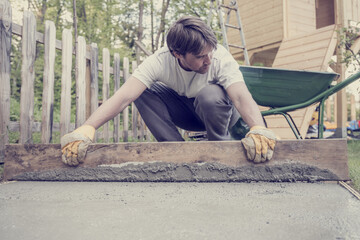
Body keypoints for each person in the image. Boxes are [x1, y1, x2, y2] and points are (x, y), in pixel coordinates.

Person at [61, 16, 276, 166]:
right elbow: (123, 96)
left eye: (209, 53)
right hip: (188, 114)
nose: (208, 61)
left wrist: (257, 126)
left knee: (209, 94)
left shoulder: (219, 58)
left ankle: (219, 150)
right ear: (177, 54)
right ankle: (177, 150)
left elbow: (240, 95)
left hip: (221, 114)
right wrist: (87, 128)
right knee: (143, 91)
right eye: (200, 57)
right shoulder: (159, 61)